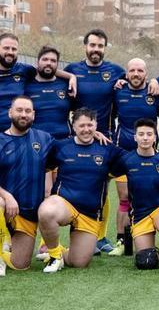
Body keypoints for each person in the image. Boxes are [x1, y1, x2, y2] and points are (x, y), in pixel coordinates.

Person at [35, 109, 126, 272]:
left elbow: (133, 160)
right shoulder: (60, 146)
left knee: (79, 263)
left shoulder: (107, 148)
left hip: (89, 213)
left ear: (96, 126)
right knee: (47, 211)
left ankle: (60, 254)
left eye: (90, 125)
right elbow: (40, 163)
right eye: (81, 125)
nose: (86, 129)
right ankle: (55, 256)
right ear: (73, 126)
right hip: (64, 204)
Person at [0, 96, 56, 274]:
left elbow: (68, 149)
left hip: (28, 213)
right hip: (5, 208)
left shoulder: (45, 139)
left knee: (20, 265)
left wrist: (94, 134)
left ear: (33, 115)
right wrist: (7, 196)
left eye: (27, 111)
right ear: (10, 112)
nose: (23, 114)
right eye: (19, 110)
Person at [118, 118, 159, 269]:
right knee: (145, 262)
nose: (145, 138)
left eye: (149, 134)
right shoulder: (126, 160)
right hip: (139, 214)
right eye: (141, 134)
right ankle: (152, 252)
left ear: (155, 137)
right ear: (135, 137)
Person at [111, 57, 158, 254]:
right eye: (132, 71)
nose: (136, 74)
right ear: (127, 73)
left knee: (148, 195)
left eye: (140, 70)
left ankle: (153, 239)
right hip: (123, 152)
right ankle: (122, 241)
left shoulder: (154, 92)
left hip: (149, 154)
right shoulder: (118, 90)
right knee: (124, 197)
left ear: (146, 74)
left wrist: (155, 81)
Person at [65, 28, 125, 139]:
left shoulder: (116, 71)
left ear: (104, 48)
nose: (96, 49)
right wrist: (70, 76)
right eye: (92, 45)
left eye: (100, 46)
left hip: (107, 137)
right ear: (85, 46)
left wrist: (154, 82)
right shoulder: (72, 69)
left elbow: (138, 79)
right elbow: (50, 74)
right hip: (78, 136)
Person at [25, 45, 72, 140]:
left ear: (57, 64)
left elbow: (80, 111)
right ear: (37, 62)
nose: (49, 63)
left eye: (53, 61)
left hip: (63, 142)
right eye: (45, 59)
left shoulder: (67, 85)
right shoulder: (26, 86)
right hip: (35, 142)